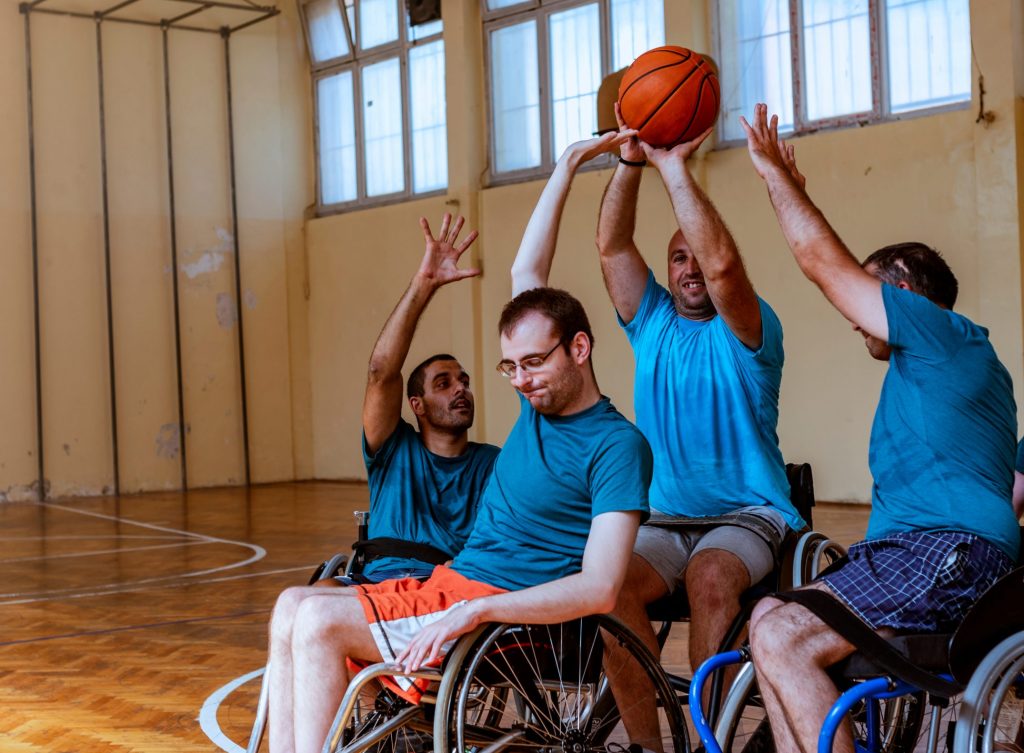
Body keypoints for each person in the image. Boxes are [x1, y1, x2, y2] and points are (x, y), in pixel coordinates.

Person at [266, 134, 655, 753]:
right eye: (510, 368)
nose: (521, 380)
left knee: (316, 622)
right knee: (292, 603)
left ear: (580, 350)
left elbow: (600, 588)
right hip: (457, 583)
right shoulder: (535, 414)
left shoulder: (618, 446)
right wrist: (566, 165)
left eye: (533, 363)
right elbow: (525, 273)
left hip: (497, 615)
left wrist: (475, 612)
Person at [741, 103, 1019, 753]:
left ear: (902, 292)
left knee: (782, 635)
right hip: (912, 555)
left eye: (867, 296)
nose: (853, 315)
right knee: (766, 618)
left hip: (944, 552)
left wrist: (773, 176)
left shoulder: (938, 331)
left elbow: (819, 260)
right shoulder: (936, 373)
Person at [266, 213, 499, 752]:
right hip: (373, 585)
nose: (460, 390)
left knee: (316, 612)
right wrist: (424, 285)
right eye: (444, 383)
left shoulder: (493, 462)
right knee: (291, 603)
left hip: (436, 595)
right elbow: (381, 371)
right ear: (415, 405)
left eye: (464, 381)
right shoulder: (393, 449)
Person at [595, 106, 804, 688]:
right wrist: (630, 162)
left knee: (710, 580)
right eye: (676, 258)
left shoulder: (749, 329)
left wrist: (675, 169)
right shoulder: (652, 322)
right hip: (662, 519)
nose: (691, 269)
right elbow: (612, 247)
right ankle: (645, 743)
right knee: (604, 586)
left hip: (747, 514)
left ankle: (708, 736)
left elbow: (724, 265)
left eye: (696, 258)